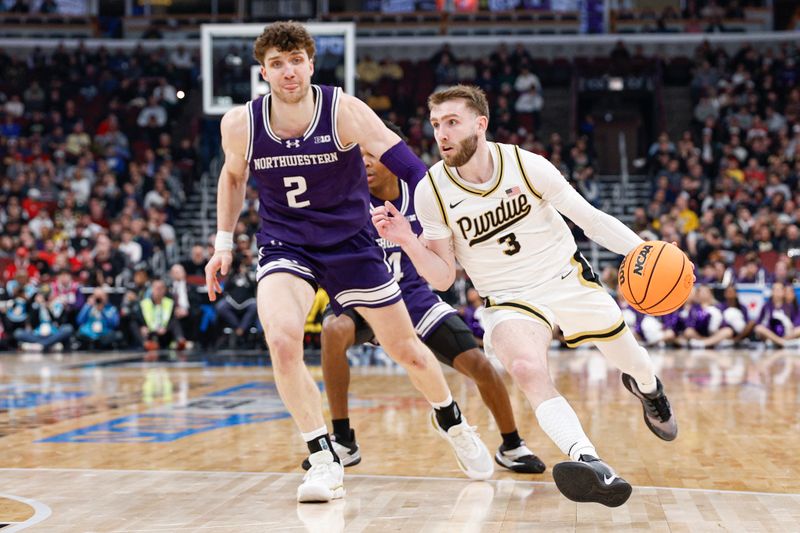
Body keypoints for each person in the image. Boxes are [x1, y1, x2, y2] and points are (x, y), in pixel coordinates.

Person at [204, 23, 491, 504]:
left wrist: (427, 225)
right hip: (285, 243)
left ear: (311, 64)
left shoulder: (344, 111)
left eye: (296, 61)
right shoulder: (240, 124)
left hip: (352, 243)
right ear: (263, 72)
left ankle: (451, 420)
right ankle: (323, 456)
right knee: (280, 339)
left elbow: (412, 168)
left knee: (408, 350)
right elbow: (233, 178)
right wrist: (223, 244)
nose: (288, 71)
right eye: (277, 63)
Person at [372, 85, 678, 508]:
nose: (441, 134)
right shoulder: (432, 191)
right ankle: (589, 461)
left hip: (564, 278)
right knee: (524, 366)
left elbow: (589, 219)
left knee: (632, 360)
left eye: (452, 122)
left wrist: (644, 250)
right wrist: (407, 239)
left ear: (481, 124)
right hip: (507, 297)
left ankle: (649, 388)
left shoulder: (526, 165)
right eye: (437, 124)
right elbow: (442, 278)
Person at [304, 120, 545, 475]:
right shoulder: (346, 201)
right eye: (359, 157)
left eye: (373, 154)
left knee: (479, 364)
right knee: (333, 329)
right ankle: (343, 439)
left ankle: (511, 445)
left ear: (392, 157)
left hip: (414, 297)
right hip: (365, 298)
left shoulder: (421, 191)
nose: (365, 163)